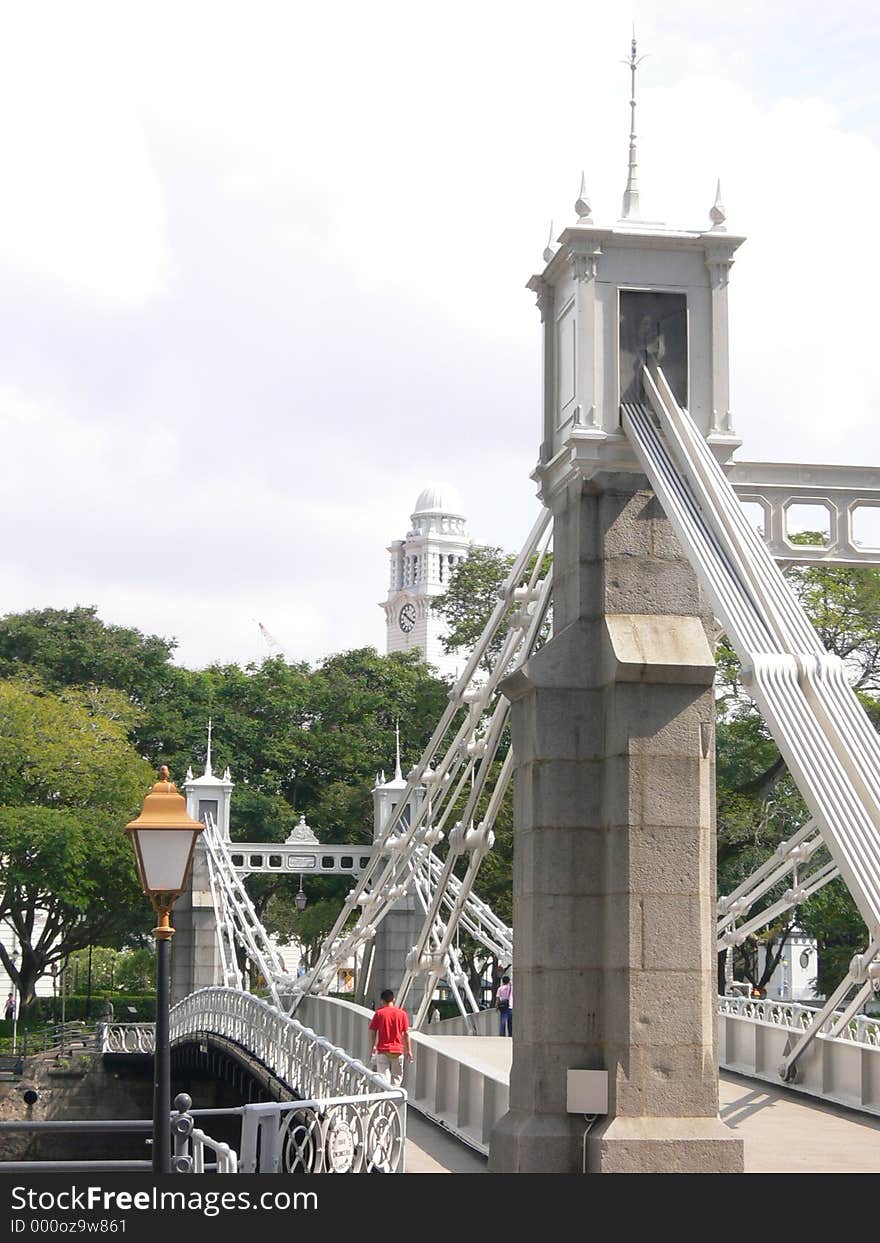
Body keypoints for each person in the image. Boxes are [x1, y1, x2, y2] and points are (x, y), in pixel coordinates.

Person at [368, 988, 413, 1088]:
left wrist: (373, 1047)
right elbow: (406, 1033)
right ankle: (394, 1099)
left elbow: (373, 1032)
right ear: (394, 999)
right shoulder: (402, 1014)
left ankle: (386, 1099)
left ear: (382, 1001)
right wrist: (409, 1050)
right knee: (397, 1077)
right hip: (398, 1050)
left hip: (383, 1050)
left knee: (384, 1079)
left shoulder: (379, 1014)